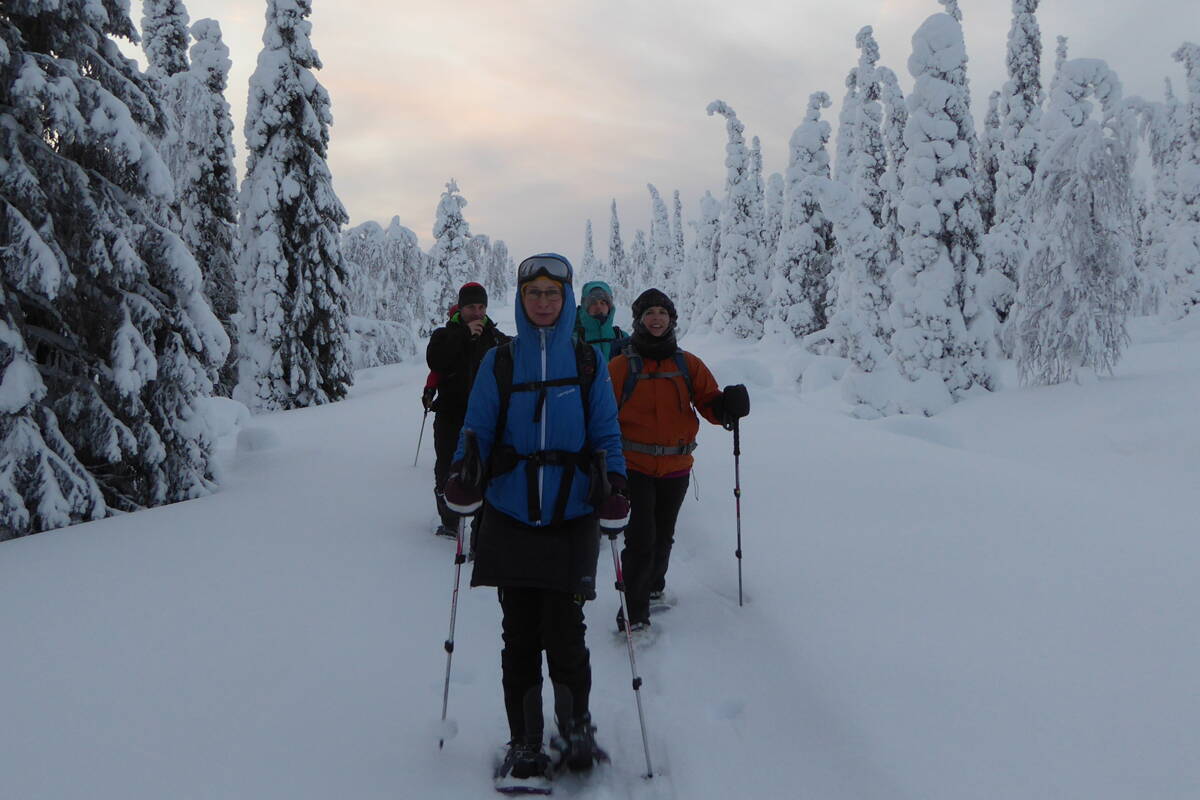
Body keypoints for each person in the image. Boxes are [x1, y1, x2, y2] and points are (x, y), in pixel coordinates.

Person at [443, 254, 630, 790]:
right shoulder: (500, 362)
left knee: (566, 634)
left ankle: (573, 732)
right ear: (522, 299)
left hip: (571, 515)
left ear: (566, 299)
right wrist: (463, 473)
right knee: (520, 636)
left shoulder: (586, 363)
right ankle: (524, 742)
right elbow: (474, 430)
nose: (543, 301)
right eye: (534, 293)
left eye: (553, 292)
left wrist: (614, 486)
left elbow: (606, 434)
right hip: (510, 514)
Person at [608, 288, 750, 634]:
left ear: (671, 319)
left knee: (664, 534)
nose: (656, 318)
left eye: (662, 312)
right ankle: (634, 611)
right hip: (634, 466)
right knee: (640, 538)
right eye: (649, 313)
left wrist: (728, 407)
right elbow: (602, 414)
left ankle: (654, 586)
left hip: (676, 467)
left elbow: (709, 402)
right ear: (639, 320)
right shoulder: (621, 365)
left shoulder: (688, 364)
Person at [425, 283, 508, 538]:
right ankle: (450, 521)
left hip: (485, 419)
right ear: (461, 308)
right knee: (447, 468)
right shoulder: (444, 335)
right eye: (471, 307)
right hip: (451, 415)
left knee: (486, 470)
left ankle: (480, 529)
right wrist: (463, 336)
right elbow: (435, 360)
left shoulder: (494, 338)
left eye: (481, 307)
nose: (477, 312)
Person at [574, 280, 626, 360]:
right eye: (593, 303)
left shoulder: (621, 337)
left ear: (609, 307)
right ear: (585, 307)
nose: (598, 306)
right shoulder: (575, 339)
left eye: (603, 302)